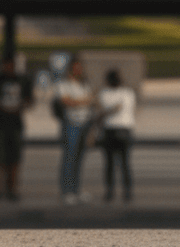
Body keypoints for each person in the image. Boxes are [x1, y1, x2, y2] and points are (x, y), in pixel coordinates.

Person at [0, 57, 34, 201]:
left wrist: (19, 106)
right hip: (1, 123)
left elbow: (30, 100)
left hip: (16, 124)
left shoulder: (23, 80)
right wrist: (1, 105)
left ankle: (13, 188)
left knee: (15, 159)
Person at [55, 55, 94, 204]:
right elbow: (67, 102)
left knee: (79, 158)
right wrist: (85, 100)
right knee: (69, 157)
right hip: (71, 123)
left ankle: (76, 189)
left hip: (85, 123)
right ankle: (66, 191)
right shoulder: (63, 84)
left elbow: (91, 101)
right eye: (76, 67)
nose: (79, 70)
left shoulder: (84, 84)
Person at [97, 68, 136, 202]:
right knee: (124, 163)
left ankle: (110, 191)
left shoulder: (103, 94)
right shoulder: (128, 93)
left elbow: (101, 111)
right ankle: (127, 191)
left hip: (110, 130)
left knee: (110, 164)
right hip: (125, 129)